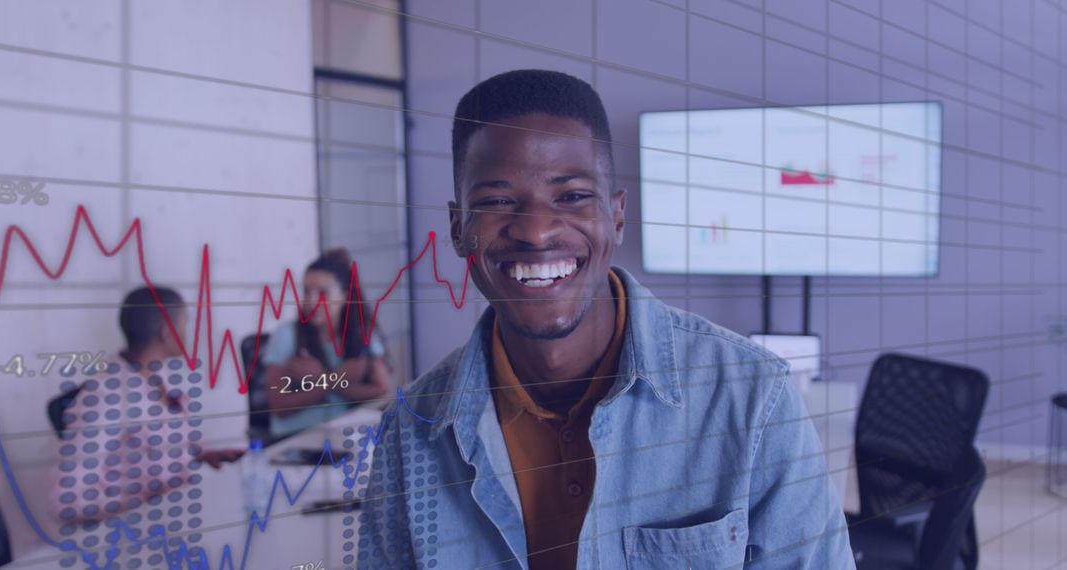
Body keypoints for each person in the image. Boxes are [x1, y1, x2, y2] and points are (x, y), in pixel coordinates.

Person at [357, 70, 854, 569]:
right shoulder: (409, 432)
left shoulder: (751, 397)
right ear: (458, 228)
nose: (536, 231)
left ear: (616, 217)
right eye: (497, 201)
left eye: (571, 195)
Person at [50, 287, 244, 523]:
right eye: (185, 325)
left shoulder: (154, 376)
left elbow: (149, 444)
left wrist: (200, 454)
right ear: (166, 333)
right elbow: (65, 501)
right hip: (136, 530)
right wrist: (140, 500)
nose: (188, 334)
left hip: (176, 516)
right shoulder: (107, 397)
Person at [261, 249, 391, 439]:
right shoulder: (287, 336)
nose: (312, 301)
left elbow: (380, 388)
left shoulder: (361, 334)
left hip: (344, 436)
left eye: (323, 293)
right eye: (307, 291)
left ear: (344, 296)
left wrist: (321, 377)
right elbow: (278, 406)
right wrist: (335, 379)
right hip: (296, 441)